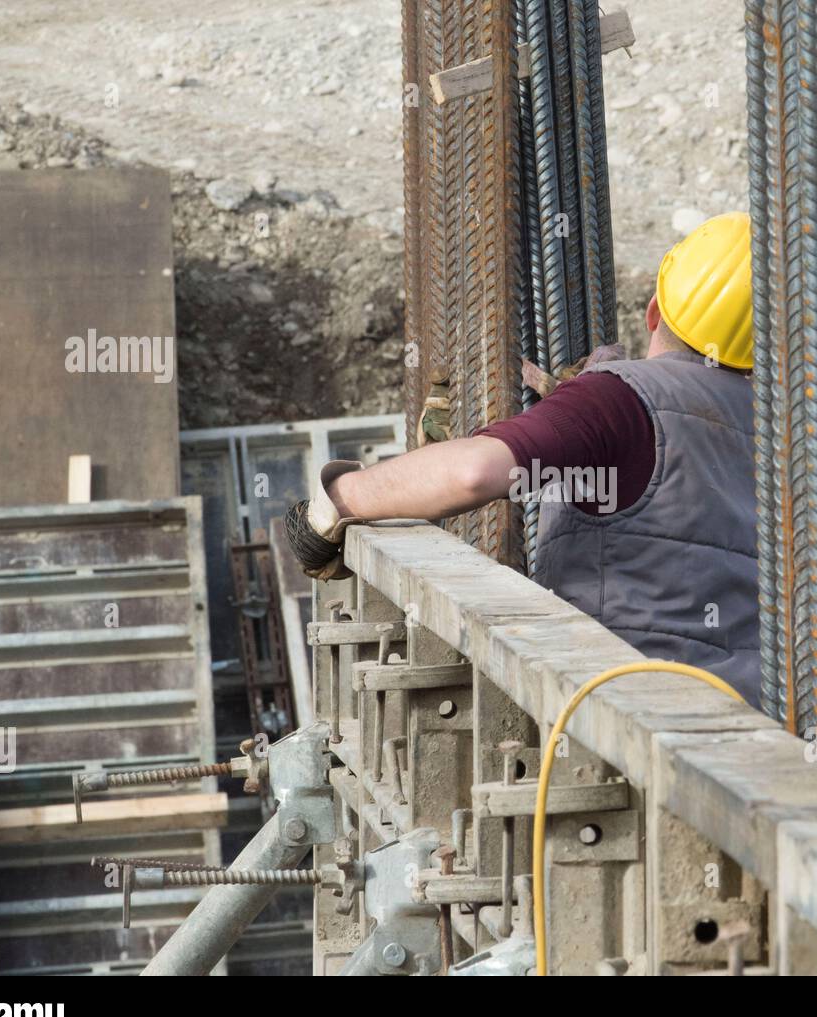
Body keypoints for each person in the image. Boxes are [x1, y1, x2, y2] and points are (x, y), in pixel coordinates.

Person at [285, 211, 760, 706]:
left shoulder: (617, 401)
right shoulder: (782, 436)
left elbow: (473, 473)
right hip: (749, 725)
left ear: (655, 310)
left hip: (624, 711)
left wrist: (338, 500)